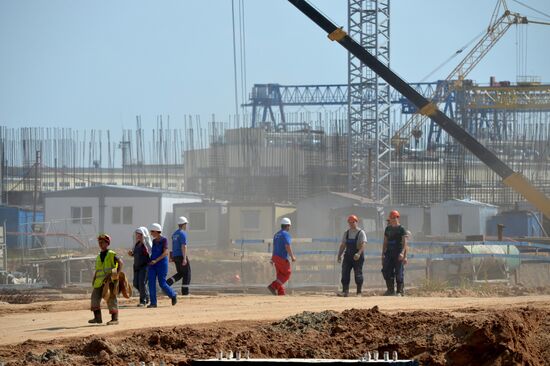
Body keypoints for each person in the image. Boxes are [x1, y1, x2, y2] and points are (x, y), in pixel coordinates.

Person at [89, 233, 124, 325]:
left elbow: (120, 263)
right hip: (99, 282)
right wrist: (94, 278)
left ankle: (115, 319)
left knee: (111, 299)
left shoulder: (111, 254)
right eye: (99, 242)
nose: (100, 244)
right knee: (94, 298)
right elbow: (98, 269)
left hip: (110, 281)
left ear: (107, 243)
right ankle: (97, 318)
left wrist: (116, 274)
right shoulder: (99, 255)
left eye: (103, 242)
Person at [147, 223, 178, 308]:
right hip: (153, 265)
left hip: (161, 264)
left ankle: (173, 295)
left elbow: (165, 253)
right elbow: (153, 252)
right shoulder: (153, 241)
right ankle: (153, 303)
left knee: (162, 283)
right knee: (151, 283)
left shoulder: (164, 240)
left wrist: (156, 260)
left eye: (152, 231)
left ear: (157, 231)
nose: (151, 233)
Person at [337, 215, 367, 297]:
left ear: (356, 222)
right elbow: (343, 245)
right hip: (348, 256)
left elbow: (363, 244)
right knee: (345, 273)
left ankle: (359, 292)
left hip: (357, 256)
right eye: (349, 222)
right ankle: (345, 291)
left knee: (358, 274)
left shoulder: (361, 232)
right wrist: (339, 255)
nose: (351, 224)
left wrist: (359, 253)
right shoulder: (346, 233)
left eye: (353, 222)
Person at [381, 210, 409, 296]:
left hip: (398, 253)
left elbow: (405, 243)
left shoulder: (401, 229)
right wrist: (382, 254)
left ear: (398, 218)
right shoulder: (388, 229)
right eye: (391, 218)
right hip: (389, 253)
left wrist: (403, 255)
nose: (393, 219)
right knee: (386, 271)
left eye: (394, 217)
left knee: (399, 272)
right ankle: (390, 290)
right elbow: (385, 242)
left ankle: (399, 291)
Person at [267, 217, 296, 296]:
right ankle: (273, 286)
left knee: (280, 276)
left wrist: (272, 258)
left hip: (275, 257)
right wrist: (292, 257)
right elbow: (287, 246)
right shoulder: (286, 234)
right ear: (287, 226)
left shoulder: (276, 234)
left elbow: (274, 246)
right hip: (282, 258)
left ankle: (281, 293)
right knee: (287, 274)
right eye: (289, 226)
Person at [166, 216, 191, 295]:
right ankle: (185, 292)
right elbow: (183, 246)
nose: (186, 226)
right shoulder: (182, 233)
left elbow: (171, 245)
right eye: (186, 224)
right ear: (183, 224)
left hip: (175, 256)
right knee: (187, 273)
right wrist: (184, 258)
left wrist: (171, 257)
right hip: (181, 256)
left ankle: (168, 283)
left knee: (180, 273)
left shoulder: (174, 234)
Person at [128, 227, 151, 306]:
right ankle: (146, 295)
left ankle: (143, 301)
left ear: (144, 235)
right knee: (135, 284)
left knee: (142, 283)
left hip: (144, 267)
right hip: (137, 266)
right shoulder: (137, 244)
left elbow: (150, 254)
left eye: (140, 234)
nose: (138, 236)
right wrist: (131, 254)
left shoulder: (147, 245)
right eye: (137, 234)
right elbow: (135, 254)